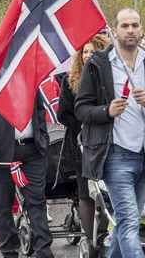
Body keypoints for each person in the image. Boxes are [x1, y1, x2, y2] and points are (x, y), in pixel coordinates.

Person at [75, 9, 145, 257]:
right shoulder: (98, 63)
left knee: (125, 224)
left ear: (141, 31)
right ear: (114, 31)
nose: (130, 30)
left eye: (135, 25)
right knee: (129, 222)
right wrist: (107, 111)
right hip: (114, 155)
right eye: (124, 25)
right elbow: (81, 109)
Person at [0, 72, 53, 257]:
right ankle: (9, 251)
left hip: (33, 148)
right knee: (3, 204)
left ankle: (44, 251)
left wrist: (43, 136)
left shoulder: (28, 74)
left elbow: (39, 109)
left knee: (37, 201)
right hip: (1, 151)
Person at [57, 35, 109, 243]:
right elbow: (63, 113)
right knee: (86, 193)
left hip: (107, 143)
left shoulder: (110, 78)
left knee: (106, 193)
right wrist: (83, 123)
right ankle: (92, 241)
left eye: (92, 51)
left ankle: (107, 234)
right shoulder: (71, 81)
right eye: (85, 51)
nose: (88, 55)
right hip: (81, 145)